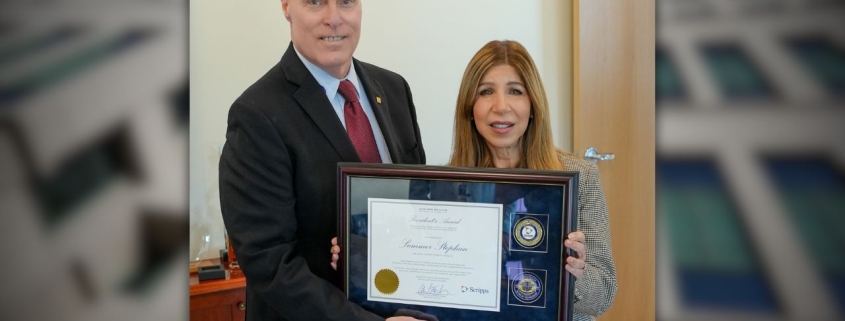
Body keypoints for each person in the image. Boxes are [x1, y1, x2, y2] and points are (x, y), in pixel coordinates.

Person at [332, 40, 617, 321]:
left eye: (516, 91)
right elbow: (418, 269)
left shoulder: (580, 178)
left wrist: (576, 272)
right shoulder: (442, 183)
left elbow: (604, 294)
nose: (501, 106)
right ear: (470, 107)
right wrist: (355, 258)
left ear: (534, 105)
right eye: (486, 92)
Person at [219, 1, 428, 320]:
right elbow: (270, 264)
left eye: (346, 1)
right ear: (287, 6)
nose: (334, 19)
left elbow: (418, 208)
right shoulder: (255, 115)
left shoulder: (395, 89)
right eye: (315, 2)